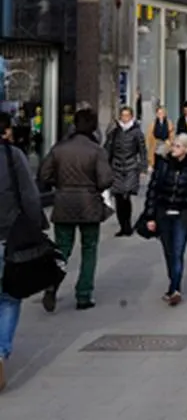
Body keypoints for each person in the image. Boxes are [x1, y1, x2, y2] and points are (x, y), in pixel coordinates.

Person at [38, 106, 114, 313]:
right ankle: (83, 294)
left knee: (62, 248)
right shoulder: (96, 150)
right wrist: (94, 186)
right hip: (89, 203)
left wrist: (60, 183)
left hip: (64, 202)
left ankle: (52, 284)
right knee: (89, 248)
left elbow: (44, 175)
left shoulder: (59, 148)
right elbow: (106, 179)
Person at [0, 110, 49, 392]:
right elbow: (30, 195)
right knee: (8, 296)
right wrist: (38, 224)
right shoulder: (13, 156)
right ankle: (1, 352)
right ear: (6, 132)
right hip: (9, 236)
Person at [143, 131, 187, 306]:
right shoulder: (163, 164)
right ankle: (174, 280)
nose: (173, 148)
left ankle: (175, 288)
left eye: (178, 146)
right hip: (163, 213)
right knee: (169, 251)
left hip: (183, 214)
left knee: (178, 252)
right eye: (173, 145)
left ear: (186, 149)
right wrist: (150, 216)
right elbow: (152, 191)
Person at [103, 104, 148, 238]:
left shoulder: (137, 132)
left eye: (127, 115)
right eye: (123, 115)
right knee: (118, 197)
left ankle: (127, 225)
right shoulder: (115, 132)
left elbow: (142, 151)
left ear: (132, 117)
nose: (125, 118)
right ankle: (122, 225)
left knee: (125, 196)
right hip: (116, 167)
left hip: (130, 167)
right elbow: (108, 149)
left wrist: (143, 167)